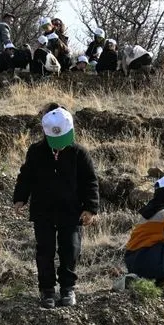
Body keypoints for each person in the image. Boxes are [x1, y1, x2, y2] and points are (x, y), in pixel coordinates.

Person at [13, 106, 100, 308]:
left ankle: (68, 289)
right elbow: (25, 177)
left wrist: (90, 208)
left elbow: (90, 182)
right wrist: (20, 198)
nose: (59, 147)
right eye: (55, 142)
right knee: (45, 251)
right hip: (43, 212)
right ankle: (47, 291)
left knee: (70, 249)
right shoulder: (35, 152)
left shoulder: (80, 154)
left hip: (71, 213)